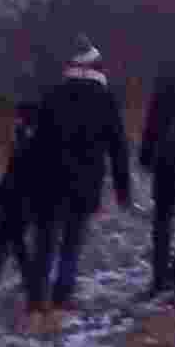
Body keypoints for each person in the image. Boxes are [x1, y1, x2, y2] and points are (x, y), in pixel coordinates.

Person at [26, 34, 131, 322]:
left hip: (49, 179)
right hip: (85, 183)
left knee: (45, 241)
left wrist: (28, 181)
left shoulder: (53, 94)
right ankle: (62, 296)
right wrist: (122, 189)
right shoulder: (105, 99)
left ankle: (36, 299)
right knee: (72, 241)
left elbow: (36, 143)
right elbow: (118, 147)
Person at [138, 29, 175, 301]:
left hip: (166, 159)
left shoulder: (167, 76)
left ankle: (159, 278)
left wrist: (146, 154)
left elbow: (154, 118)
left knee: (162, 219)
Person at [0, 101, 39, 298]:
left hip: (18, 201)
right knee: (13, 243)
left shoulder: (28, 140)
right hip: (18, 200)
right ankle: (28, 284)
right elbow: (13, 171)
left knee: (8, 243)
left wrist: (2, 191)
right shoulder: (27, 138)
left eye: (20, 117)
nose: (16, 120)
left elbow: (18, 173)